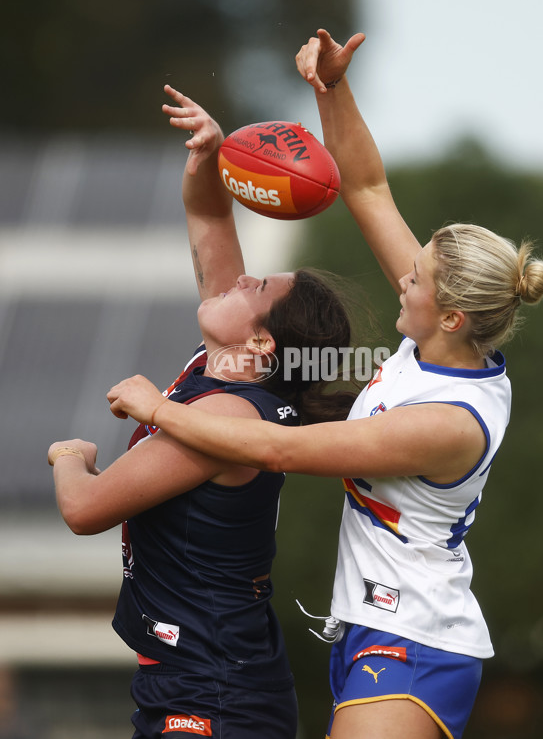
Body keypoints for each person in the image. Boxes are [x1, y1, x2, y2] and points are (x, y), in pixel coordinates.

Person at [106, 30, 543, 739]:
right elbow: (367, 186)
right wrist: (333, 90)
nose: (402, 275)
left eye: (417, 277)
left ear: (452, 313)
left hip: (417, 641)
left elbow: (281, 451)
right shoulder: (437, 340)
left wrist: (157, 410)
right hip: (373, 626)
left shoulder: (450, 420)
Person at [48, 83, 357, 739]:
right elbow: (212, 226)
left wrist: (69, 457)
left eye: (259, 287)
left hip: (212, 685)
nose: (244, 276)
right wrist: (210, 157)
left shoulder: (231, 416)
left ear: (262, 342)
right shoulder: (219, 369)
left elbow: (85, 509)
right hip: (207, 672)